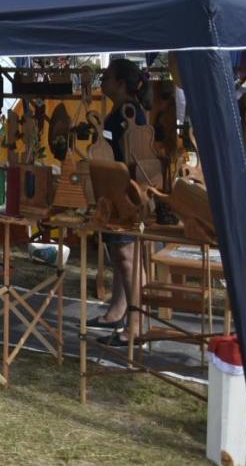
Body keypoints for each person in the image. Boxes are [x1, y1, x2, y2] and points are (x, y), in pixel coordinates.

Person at [89, 58, 150, 345]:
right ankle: (116, 311)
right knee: (118, 254)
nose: (102, 82)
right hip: (114, 192)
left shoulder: (131, 113)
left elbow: (134, 157)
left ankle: (135, 325)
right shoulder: (119, 112)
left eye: (107, 77)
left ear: (122, 83)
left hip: (127, 193)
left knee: (128, 257)